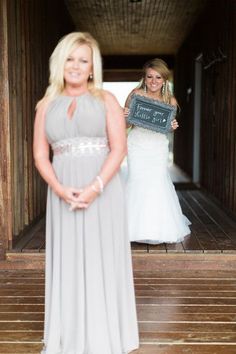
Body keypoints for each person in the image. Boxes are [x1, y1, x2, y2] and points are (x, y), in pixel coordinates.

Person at [33, 32, 139, 354]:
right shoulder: (45, 104)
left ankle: (105, 334)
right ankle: (70, 332)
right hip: (62, 190)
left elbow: (119, 149)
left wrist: (95, 188)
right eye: (70, 58)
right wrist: (60, 189)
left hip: (102, 191)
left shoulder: (106, 100)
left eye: (83, 60)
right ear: (59, 63)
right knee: (69, 256)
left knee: (100, 253)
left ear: (93, 68)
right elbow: (40, 154)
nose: (76, 66)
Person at [124, 58, 191, 244]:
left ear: (164, 80)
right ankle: (132, 228)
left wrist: (173, 126)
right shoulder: (135, 94)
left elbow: (167, 127)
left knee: (156, 182)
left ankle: (156, 229)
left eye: (158, 77)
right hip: (137, 144)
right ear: (144, 79)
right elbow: (126, 124)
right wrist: (126, 117)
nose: (154, 81)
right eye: (150, 77)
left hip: (157, 147)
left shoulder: (170, 100)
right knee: (137, 180)